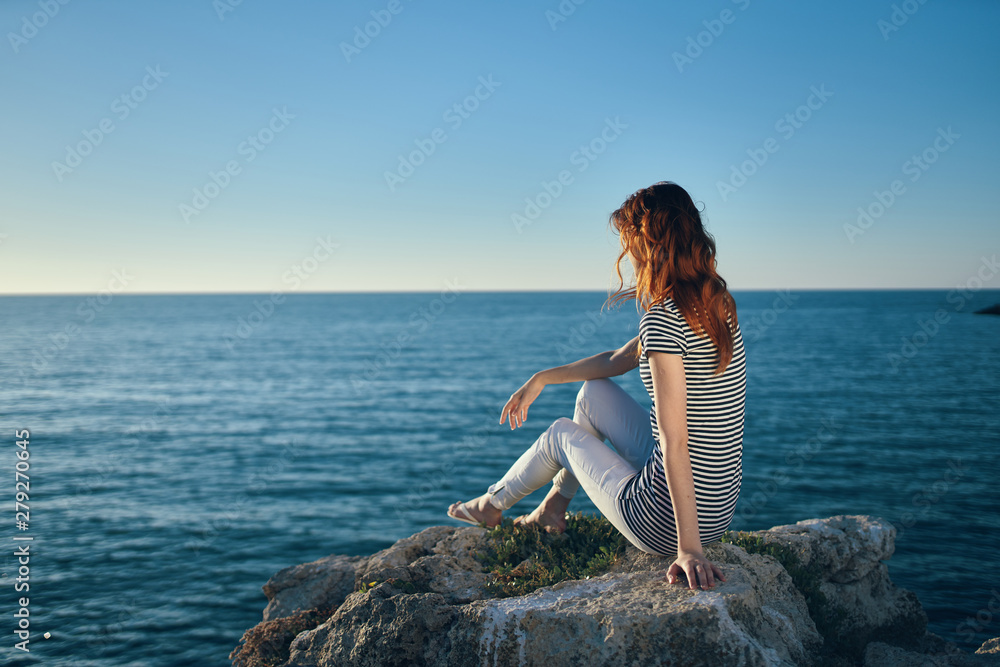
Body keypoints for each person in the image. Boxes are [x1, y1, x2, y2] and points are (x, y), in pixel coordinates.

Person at [448, 181, 746, 591]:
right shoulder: (715, 304)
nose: (628, 256)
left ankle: (490, 504)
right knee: (592, 394)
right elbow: (615, 361)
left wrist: (689, 549)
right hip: (718, 507)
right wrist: (542, 377)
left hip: (663, 521)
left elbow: (675, 440)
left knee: (559, 435)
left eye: (630, 243)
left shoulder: (661, 319)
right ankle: (553, 508)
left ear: (648, 244)